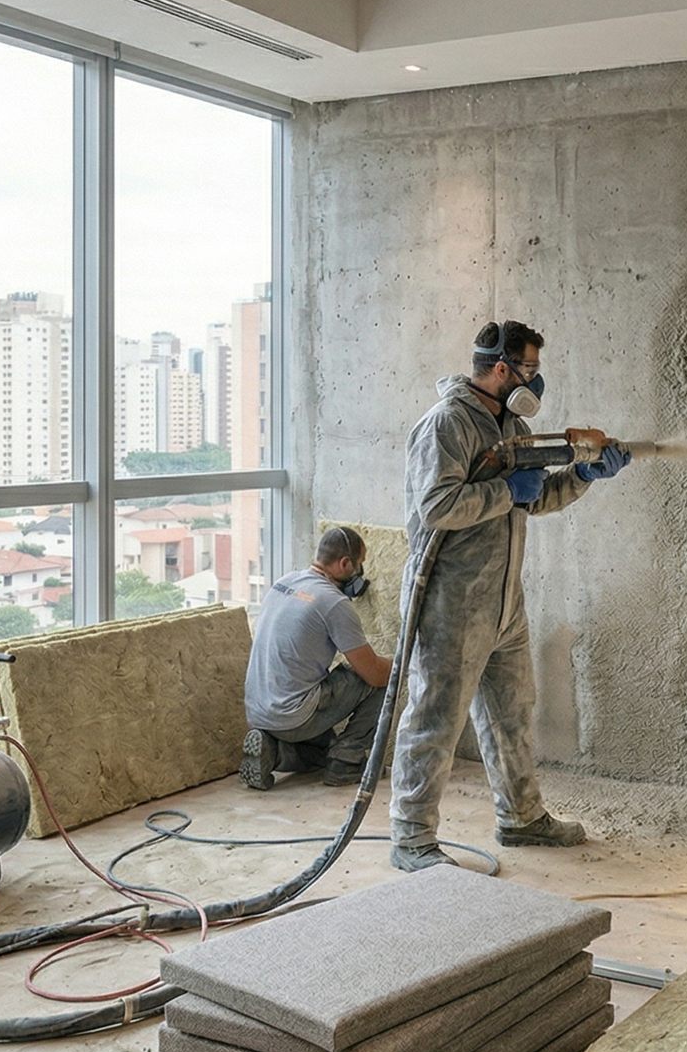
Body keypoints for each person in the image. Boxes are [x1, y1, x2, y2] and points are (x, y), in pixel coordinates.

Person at [389, 319, 631, 871]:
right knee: (435, 719)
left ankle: (521, 818)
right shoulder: (448, 424)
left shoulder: (507, 425)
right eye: (530, 370)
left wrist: (586, 473)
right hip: (451, 601)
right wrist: (503, 492)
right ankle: (411, 837)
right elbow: (436, 508)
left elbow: (536, 498)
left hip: (502, 602)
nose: (536, 382)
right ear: (502, 369)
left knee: (512, 712)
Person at [241, 526, 392, 790]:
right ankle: (347, 762)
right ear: (345, 563)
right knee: (388, 678)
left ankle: (273, 752)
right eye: (359, 565)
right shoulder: (334, 602)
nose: (360, 573)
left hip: (259, 713)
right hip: (294, 716)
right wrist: (409, 664)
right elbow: (374, 674)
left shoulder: (284, 582)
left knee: (323, 747)